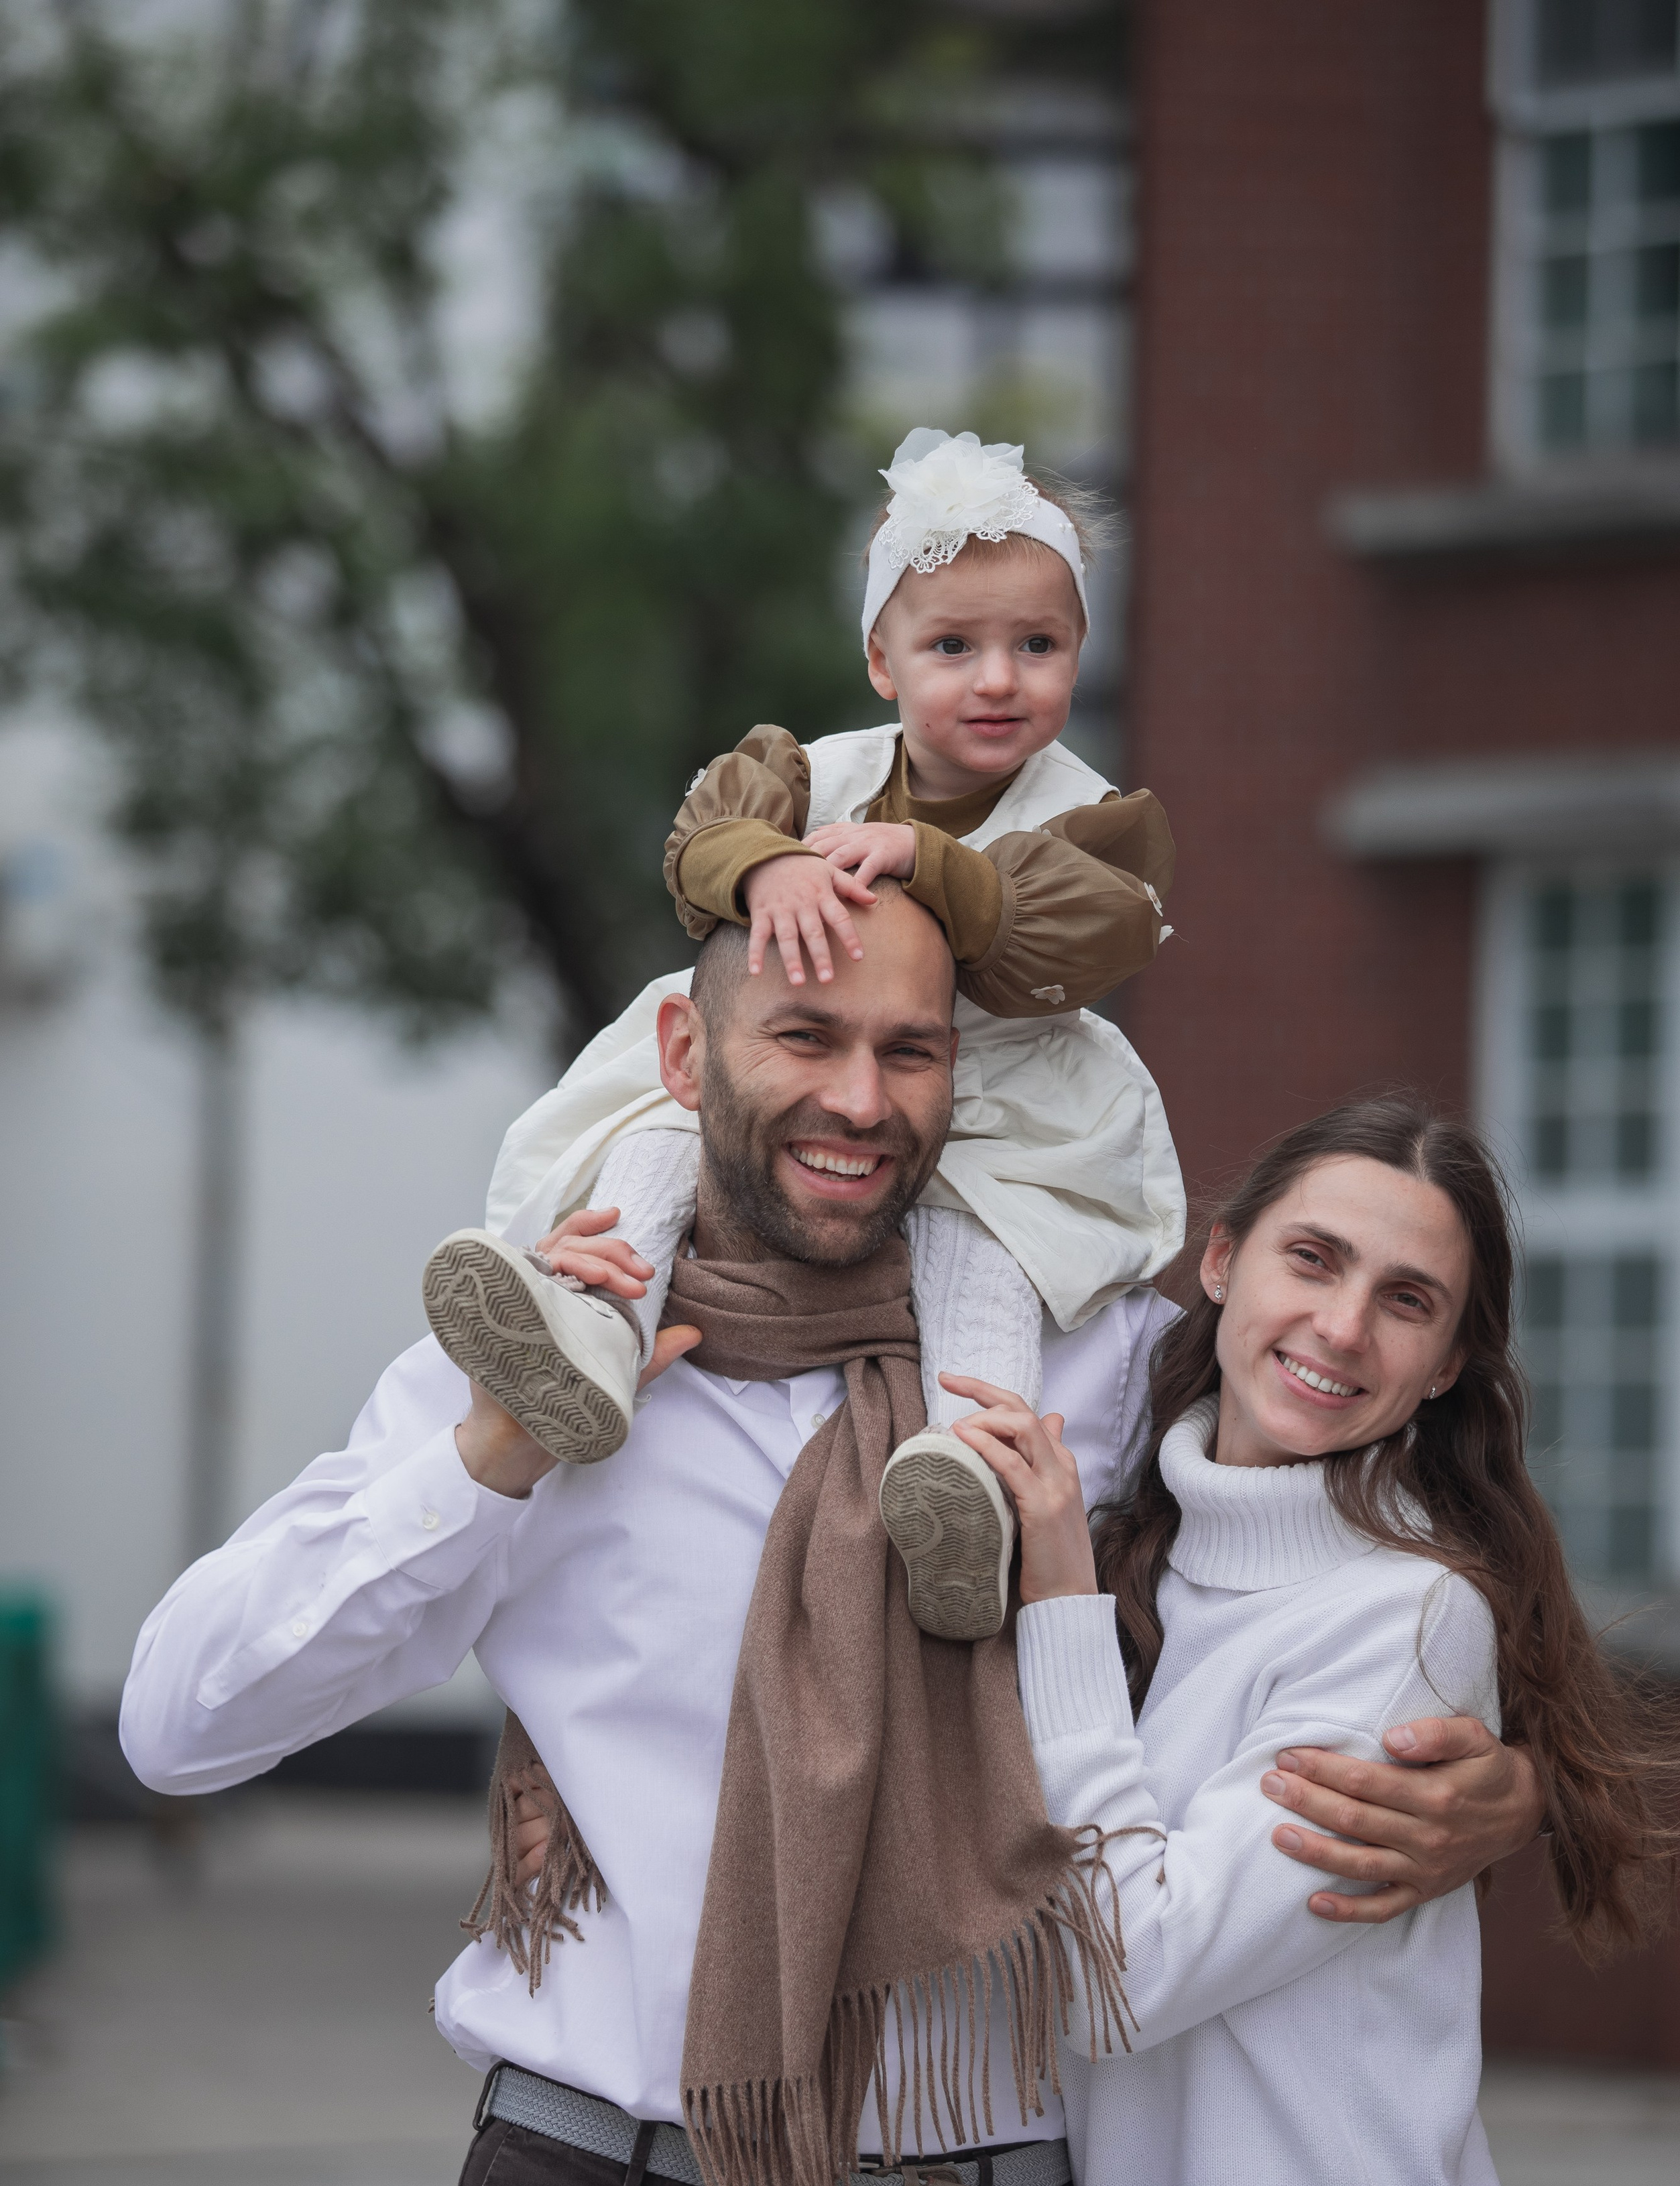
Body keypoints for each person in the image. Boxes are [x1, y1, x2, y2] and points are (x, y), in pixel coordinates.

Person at [119, 906, 1545, 2186]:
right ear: (683, 1054)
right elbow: (180, 1721)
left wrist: (1496, 1784)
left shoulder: (1080, 1376)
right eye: (803, 1035)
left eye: (908, 1049)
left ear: (960, 1080)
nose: (859, 1097)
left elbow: (1328, 1575)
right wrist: (486, 1457)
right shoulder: (542, 1354)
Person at [945, 1099, 1680, 2186]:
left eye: (1404, 1300)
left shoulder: (1400, 1615)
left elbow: (1115, 1975)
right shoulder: (1132, 1556)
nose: (1341, 1327)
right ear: (1219, 1261)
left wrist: (1051, 1607)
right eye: (1311, 1259)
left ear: (1450, 1364)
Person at [420, 424, 1182, 1644]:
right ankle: (594, 1334)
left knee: (989, 1248)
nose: (997, 679)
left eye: (1036, 646)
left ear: (1080, 654)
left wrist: (939, 866)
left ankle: (971, 1471)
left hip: (997, 1100)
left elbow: (1101, 931)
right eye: (953, 646)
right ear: (882, 660)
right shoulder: (813, 771)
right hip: (798, 1070)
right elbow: (701, 837)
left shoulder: (1088, 817)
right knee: (667, 1139)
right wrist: (764, 869)